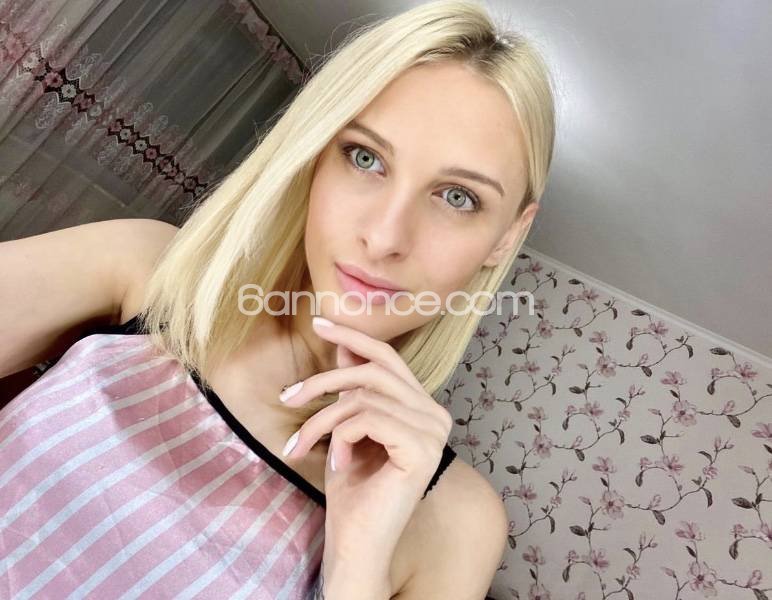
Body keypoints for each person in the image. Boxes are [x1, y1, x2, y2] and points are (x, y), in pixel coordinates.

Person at [0, 0, 555, 597]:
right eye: (365, 158)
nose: (384, 237)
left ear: (508, 236)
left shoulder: (454, 522)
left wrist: (357, 564)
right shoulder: (148, 270)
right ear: (314, 154)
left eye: (457, 197)